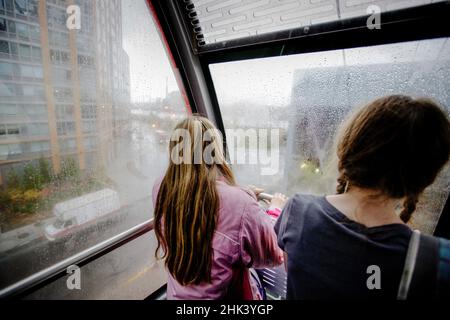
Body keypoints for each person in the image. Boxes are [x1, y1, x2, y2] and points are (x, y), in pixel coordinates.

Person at [275, 95, 450, 299]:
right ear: (425, 178)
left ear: (349, 147)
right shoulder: (436, 261)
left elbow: (294, 272)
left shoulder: (297, 211)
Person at [152, 115, 286, 299]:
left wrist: (242, 197)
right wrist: (274, 210)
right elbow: (273, 255)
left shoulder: (161, 188)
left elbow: (198, 201)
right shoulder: (240, 203)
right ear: (216, 151)